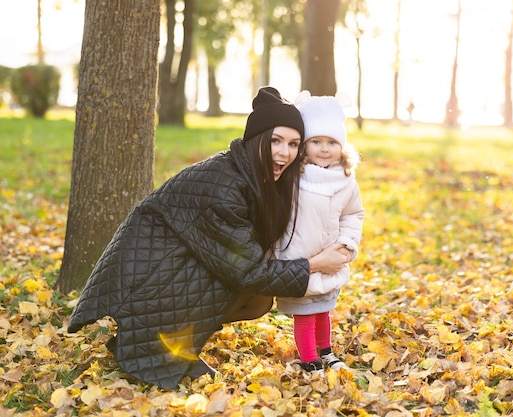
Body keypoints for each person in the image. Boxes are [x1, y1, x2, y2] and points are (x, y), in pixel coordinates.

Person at [66, 86, 349, 389]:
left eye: (294, 144)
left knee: (258, 298)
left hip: (163, 272)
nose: (285, 153)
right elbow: (249, 271)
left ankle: (165, 341)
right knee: (243, 282)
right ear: (255, 140)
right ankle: (155, 343)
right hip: (144, 279)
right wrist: (316, 264)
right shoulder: (223, 187)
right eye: (276, 141)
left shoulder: (253, 175)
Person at [276, 91, 364, 374]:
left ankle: (326, 351)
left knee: (324, 309)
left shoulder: (345, 179)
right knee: (304, 313)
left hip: (331, 255)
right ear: (305, 145)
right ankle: (310, 358)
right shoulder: (294, 177)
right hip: (299, 258)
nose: (324, 149)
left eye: (332, 142)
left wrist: (347, 243)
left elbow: (353, 214)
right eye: (316, 142)